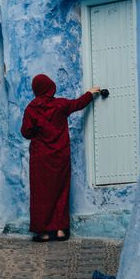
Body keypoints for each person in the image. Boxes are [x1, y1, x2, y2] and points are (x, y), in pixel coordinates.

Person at [21, 74, 100, 242]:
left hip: (40, 158)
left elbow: (25, 132)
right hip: (60, 156)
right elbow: (78, 104)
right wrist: (91, 93)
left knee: (41, 194)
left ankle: (43, 232)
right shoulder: (60, 104)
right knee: (60, 191)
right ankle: (60, 231)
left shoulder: (31, 109)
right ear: (50, 86)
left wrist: (38, 133)